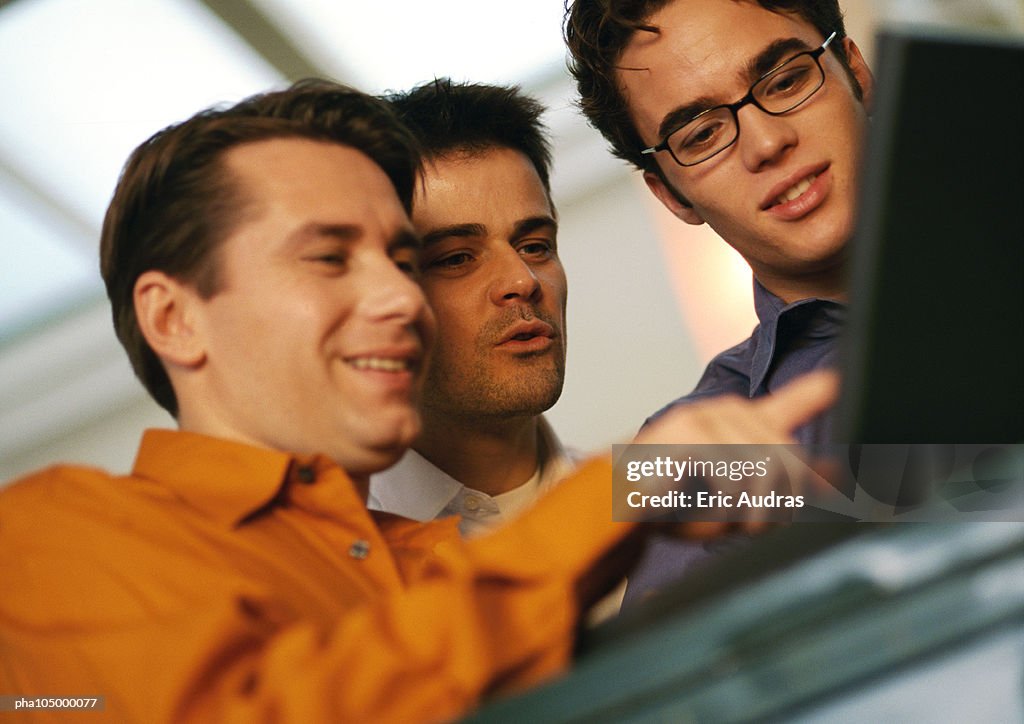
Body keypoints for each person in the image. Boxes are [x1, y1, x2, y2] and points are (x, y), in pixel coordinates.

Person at [0, 79, 837, 721]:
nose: (402, 300)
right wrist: (621, 502)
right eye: (331, 257)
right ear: (174, 318)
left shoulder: (439, 571)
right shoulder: (46, 539)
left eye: (402, 261)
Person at [564, 0, 874, 601]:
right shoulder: (693, 460)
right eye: (702, 133)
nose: (766, 141)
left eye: (785, 81)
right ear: (671, 196)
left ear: (855, 72)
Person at [369, 79, 578, 537]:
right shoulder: (333, 559)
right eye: (456, 258)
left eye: (536, 245)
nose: (522, 280)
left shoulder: (664, 498)